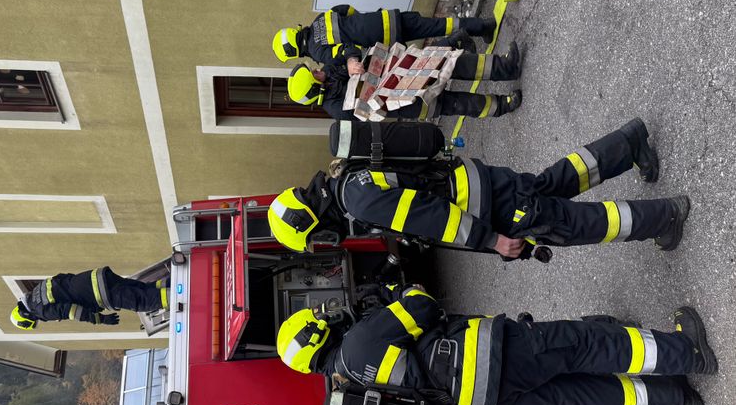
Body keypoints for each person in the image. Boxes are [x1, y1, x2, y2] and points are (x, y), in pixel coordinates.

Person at [276, 285, 716, 405]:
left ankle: (678, 399)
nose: (329, 315)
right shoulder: (356, 342)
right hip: (490, 355)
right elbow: (424, 307)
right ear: (318, 335)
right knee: (584, 344)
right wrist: (400, 293)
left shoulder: (346, 393)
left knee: (578, 394)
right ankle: (688, 353)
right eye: (321, 317)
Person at [267, 118, 690, 258]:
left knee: (567, 225)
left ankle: (664, 216)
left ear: (318, 229)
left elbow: (432, 217)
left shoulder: (357, 200)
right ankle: (628, 142)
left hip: (481, 206)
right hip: (476, 178)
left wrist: (492, 241)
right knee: (552, 184)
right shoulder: (346, 174)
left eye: (317, 241)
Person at [286, 48, 523, 121]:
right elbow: (371, 114)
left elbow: (351, 49)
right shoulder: (337, 109)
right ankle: (502, 105)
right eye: (314, 75)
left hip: (406, 69)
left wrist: (350, 62)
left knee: (454, 62)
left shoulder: (329, 71)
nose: (318, 70)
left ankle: (505, 67)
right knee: (460, 103)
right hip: (411, 103)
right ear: (316, 88)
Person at [272, 4, 497, 68]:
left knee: (421, 59)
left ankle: (460, 40)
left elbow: (346, 51)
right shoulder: (320, 20)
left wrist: (352, 62)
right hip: (385, 19)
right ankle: (482, 25)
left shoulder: (318, 51)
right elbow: (346, 9)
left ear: (295, 52)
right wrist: (362, 23)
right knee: (436, 25)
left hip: (384, 41)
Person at [9, 266, 170, 330]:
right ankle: (172, 283)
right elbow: (64, 277)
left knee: (142, 302)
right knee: (142, 288)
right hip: (98, 276)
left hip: (100, 293)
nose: (39, 320)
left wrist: (100, 319)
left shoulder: (41, 310)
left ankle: (180, 295)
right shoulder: (39, 289)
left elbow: (72, 311)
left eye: (34, 321)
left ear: (27, 317)